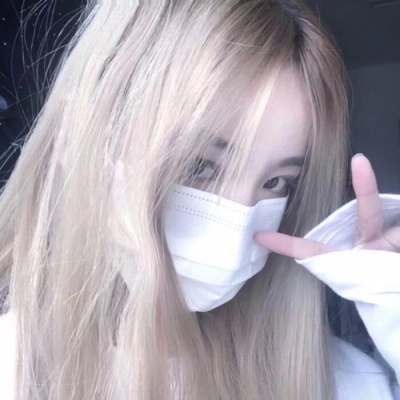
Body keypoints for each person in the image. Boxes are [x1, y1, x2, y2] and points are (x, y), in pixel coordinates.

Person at [0, 0, 399, 399]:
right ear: (80, 140)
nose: (236, 236)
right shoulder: (12, 370)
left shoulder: (342, 381)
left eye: (277, 182)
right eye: (198, 165)